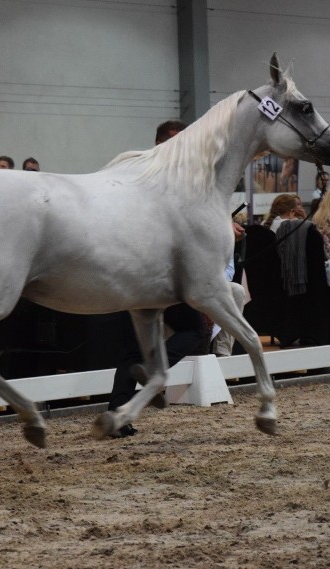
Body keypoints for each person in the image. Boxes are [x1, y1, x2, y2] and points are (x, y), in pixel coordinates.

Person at [106, 119, 210, 438]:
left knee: (135, 347)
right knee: (195, 329)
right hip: (157, 273)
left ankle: (117, 414)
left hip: (133, 268)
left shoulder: (135, 168)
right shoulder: (168, 176)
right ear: (167, 142)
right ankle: (151, 374)